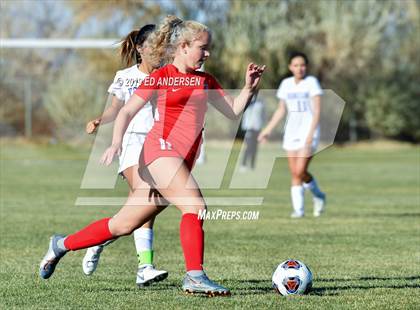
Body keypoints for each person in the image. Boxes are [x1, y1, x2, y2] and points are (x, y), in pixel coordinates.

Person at [39, 15, 265, 296]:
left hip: (179, 160)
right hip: (159, 153)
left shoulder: (206, 80)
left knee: (122, 225)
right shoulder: (162, 76)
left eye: (209, 48)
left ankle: (60, 245)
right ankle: (195, 276)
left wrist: (248, 88)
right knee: (195, 207)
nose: (207, 53)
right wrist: (116, 142)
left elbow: (232, 110)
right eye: (202, 47)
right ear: (183, 46)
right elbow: (127, 111)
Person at [83, 25, 168, 286]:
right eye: (154, 45)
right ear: (141, 49)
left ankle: (97, 239)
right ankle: (145, 266)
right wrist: (100, 120)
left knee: (142, 209)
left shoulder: (170, 75)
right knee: (148, 196)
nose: (160, 51)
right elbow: (115, 109)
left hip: (161, 146)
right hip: (132, 144)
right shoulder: (125, 76)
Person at [258, 52, 326, 218]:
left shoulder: (311, 83)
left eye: (302, 65)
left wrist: (311, 133)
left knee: (300, 170)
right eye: (295, 65)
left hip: (309, 131)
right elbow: (281, 110)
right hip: (291, 132)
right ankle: (299, 211)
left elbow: (317, 111)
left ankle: (319, 196)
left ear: (306, 67)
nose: (299, 68)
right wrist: (267, 130)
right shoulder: (286, 84)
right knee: (295, 173)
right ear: (290, 67)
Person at [240, 91, 265, 171]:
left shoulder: (260, 104)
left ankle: (252, 165)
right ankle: (243, 164)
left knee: (255, 147)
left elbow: (263, 116)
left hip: (257, 128)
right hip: (249, 128)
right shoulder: (248, 103)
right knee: (249, 147)